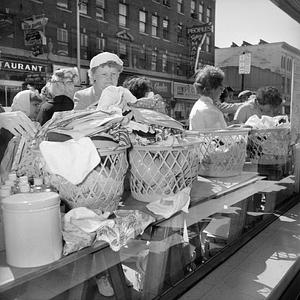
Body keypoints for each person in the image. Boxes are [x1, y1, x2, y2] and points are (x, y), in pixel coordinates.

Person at [0, 90, 42, 180]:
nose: (39, 108)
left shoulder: (30, 123)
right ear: (24, 104)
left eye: (39, 105)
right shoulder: (9, 124)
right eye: (35, 105)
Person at [189, 65, 227, 131]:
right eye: (221, 88)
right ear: (212, 89)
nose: (222, 91)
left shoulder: (198, 105)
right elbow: (223, 139)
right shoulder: (213, 111)